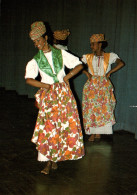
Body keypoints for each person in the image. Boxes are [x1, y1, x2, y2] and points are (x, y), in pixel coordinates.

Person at [25, 21, 84, 174]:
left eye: (38, 40)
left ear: (45, 37)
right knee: (49, 128)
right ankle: (48, 162)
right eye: (34, 42)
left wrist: (67, 77)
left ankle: (56, 158)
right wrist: (44, 86)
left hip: (64, 95)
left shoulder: (60, 53)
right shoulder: (36, 60)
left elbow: (79, 65)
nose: (36, 44)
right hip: (49, 96)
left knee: (63, 126)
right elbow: (29, 79)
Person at [82, 34, 125, 142]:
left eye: (93, 44)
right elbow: (77, 65)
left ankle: (100, 132)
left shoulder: (110, 56)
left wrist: (110, 72)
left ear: (100, 44)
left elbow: (121, 63)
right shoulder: (87, 57)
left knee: (103, 108)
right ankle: (92, 132)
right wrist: (86, 73)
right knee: (91, 109)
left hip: (104, 85)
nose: (91, 46)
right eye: (91, 44)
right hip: (92, 85)